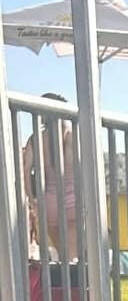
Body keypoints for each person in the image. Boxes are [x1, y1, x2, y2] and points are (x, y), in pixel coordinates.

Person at [23, 94, 78, 261]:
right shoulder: (72, 136)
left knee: (63, 255)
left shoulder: (36, 139)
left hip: (50, 203)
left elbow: (25, 170)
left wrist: (32, 199)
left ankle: (64, 276)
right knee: (73, 256)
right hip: (73, 200)